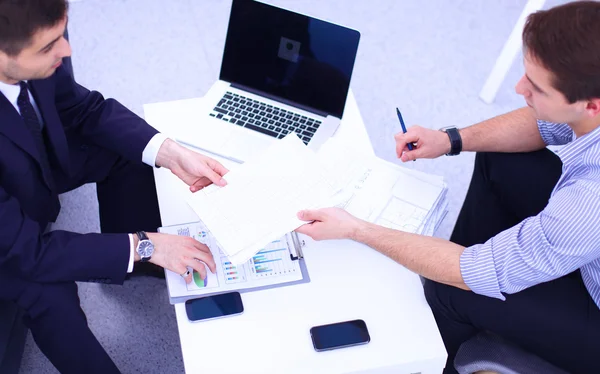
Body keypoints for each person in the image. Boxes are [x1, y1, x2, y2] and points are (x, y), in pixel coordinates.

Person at [296, 1, 600, 373]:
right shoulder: (589, 106)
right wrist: (451, 139)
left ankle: (441, 359)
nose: (519, 88)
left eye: (536, 87)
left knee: (451, 287)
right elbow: (543, 124)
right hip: (585, 244)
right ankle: (461, 278)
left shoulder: (588, 202)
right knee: (499, 156)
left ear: (592, 106)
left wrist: (357, 229)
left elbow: (476, 271)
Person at [0, 1, 228, 373]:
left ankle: (132, 265)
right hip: (7, 239)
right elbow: (29, 253)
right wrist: (143, 245)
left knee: (128, 152)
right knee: (49, 297)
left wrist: (168, 152)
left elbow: (80, 108)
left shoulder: (42, 34)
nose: (67, 51)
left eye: (63, 35)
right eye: (48, 48)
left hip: (27, 159)